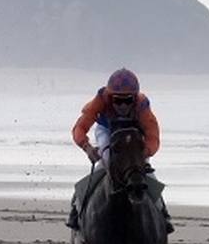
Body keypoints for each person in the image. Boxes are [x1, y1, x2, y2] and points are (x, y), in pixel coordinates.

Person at [66, 67, 163, 231]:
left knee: (148, 173)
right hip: (107, 130)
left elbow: (153, 136)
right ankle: (77, 209)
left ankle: (162, 214)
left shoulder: (142, 106)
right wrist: (87, 147)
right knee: (107, 161)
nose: (123, 105)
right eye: (118, 100)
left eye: (128, 100)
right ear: (110, 98)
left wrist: (143, 154)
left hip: (134, 133)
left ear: (135, 98)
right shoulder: (100, 100)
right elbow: (79, 128)